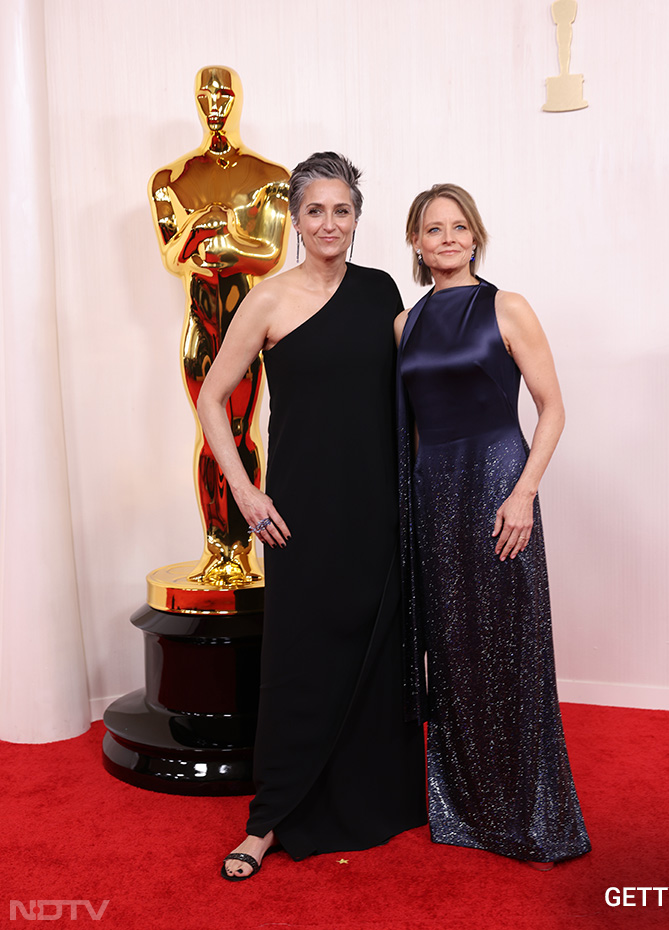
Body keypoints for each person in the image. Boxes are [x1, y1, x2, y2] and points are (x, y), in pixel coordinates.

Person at [197, 152, 427, 880]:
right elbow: (212, 397)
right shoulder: (266, 300)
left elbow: (420, 380)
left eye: (343, 211)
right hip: (297, 509)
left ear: (357, 219)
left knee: (377, 650)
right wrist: (245, 489)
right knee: (298, 661)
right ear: (295, 220)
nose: (330, 224)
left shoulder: (381, 288)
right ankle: (269, 820)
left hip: (379, 502)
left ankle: (377, 800)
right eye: (316, 211)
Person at [395, 183, 590, 868]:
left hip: (498, 485)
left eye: (458, 227)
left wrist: (524, 492)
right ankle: (466, 808)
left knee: (510, 645)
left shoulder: (507, 306)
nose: (447, 239)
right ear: (416, 244)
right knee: (452, 648)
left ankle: (530, 810)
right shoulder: (406, 324)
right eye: (432, 229)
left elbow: (552, 407)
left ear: (475, 235)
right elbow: (409, 429)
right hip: (434, 492)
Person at [148, 66, 290, 588]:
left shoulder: (269, 176)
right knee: (209, 435)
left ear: (239, 99)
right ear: (194, 98)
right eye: (206, 92)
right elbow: (171, 254)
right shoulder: (170, 180)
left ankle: (244, 549)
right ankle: (217, 549)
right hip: (200, 320)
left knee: (239, 431)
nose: (215, 100)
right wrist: (205, 230)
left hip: (244, 322)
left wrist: (214, 232)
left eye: (224, 91)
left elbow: (268, 254)